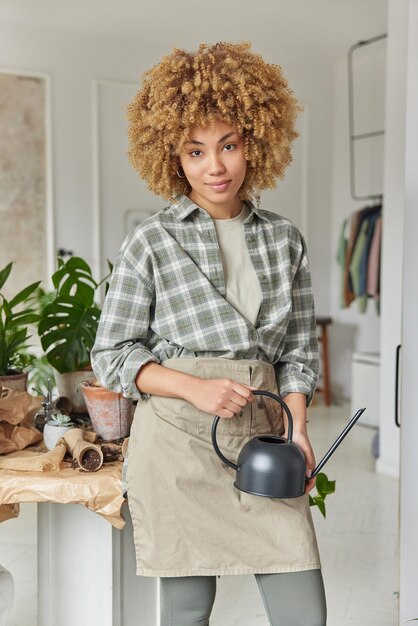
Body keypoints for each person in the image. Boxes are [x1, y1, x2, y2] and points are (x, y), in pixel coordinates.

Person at [91, 42, 327, 626]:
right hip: (178, 443)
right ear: (173, 155)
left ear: (255, 142)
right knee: (188, 611)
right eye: (196, 151)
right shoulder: (151, 240)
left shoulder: (283, 238)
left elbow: (297, 351)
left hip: (265, 437)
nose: (214, 166)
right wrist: (193, 387)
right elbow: (112, 352)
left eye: (228, 145)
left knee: (304, 611)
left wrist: (298, 429)